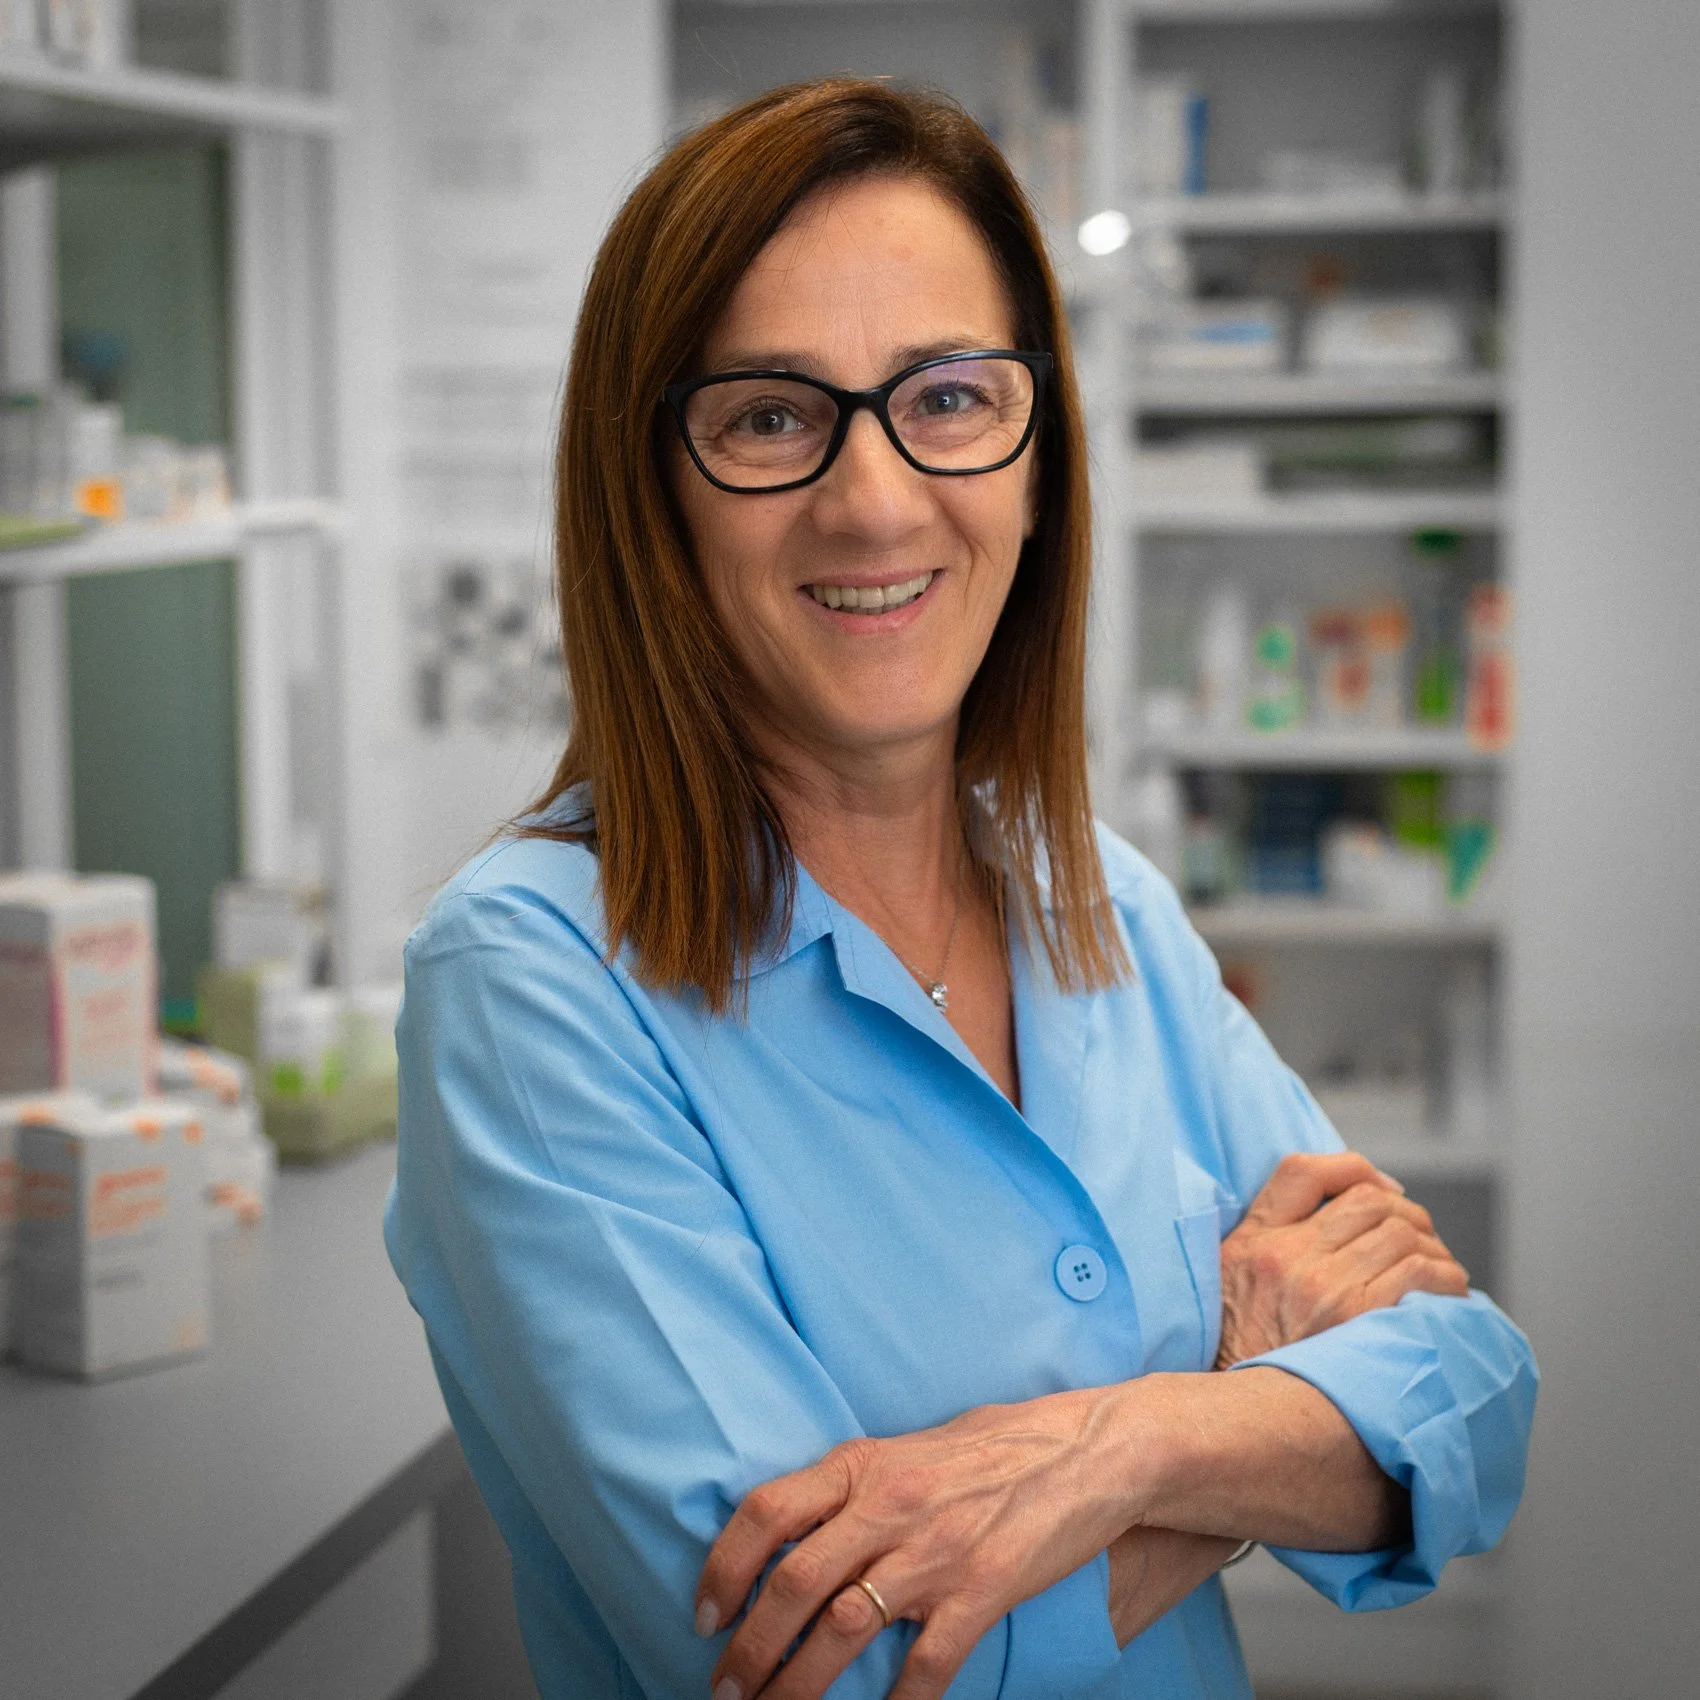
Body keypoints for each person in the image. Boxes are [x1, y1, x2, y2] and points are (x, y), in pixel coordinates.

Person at [385, 79, 1536, 1700]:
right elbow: (823, 1677)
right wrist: (1253, 1421)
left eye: (946, 396)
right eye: (771, 416)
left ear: (1036, 456)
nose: (874, 499)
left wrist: (1126, 1448)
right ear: (650, 489)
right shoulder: (532, 982)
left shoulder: (1094, 903)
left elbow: (1476, 1402)